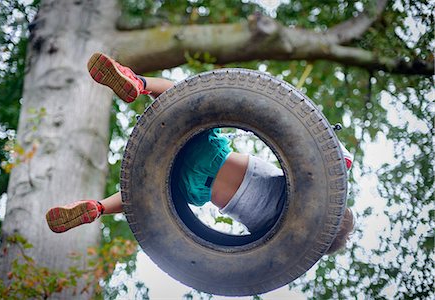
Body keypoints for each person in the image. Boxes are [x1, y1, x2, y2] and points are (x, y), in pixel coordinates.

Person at [46, 53, 354, 254]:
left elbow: (333, 155)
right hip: (193, 191)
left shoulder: (309, 188)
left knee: (186, 97)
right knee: (140, 195)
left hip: (212, 155)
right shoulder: (282, 236)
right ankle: (98, 208)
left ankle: (138, 84)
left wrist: (341, 171)